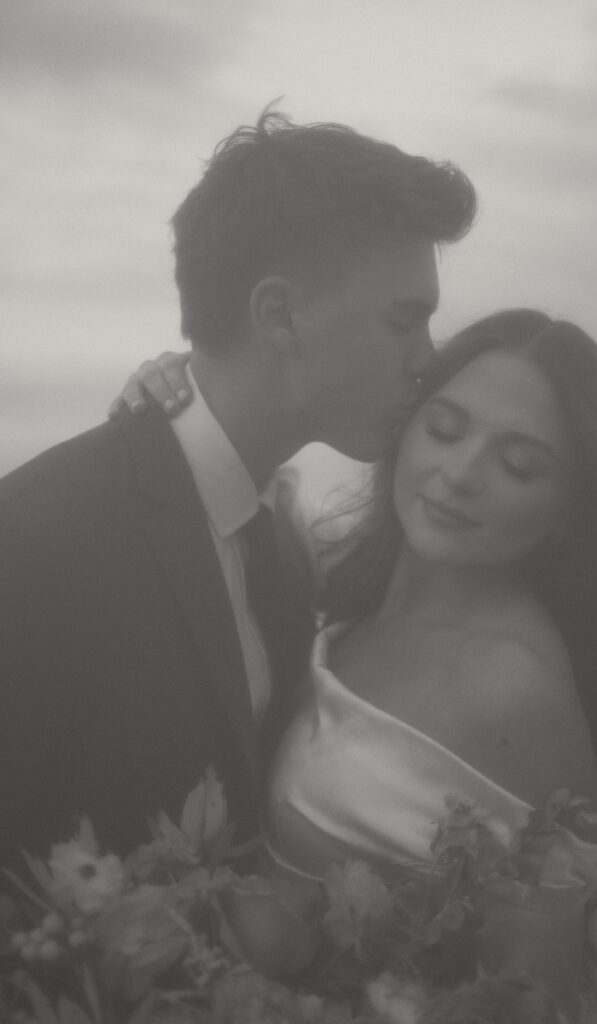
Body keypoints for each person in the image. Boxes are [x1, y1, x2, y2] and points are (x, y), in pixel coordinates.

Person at [126, 309, 597, 1021]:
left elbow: (534, 999)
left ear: (567, 511)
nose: (458, 474)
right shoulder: (349, 585)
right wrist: (174, 403)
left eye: (518, 465)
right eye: (444, 429)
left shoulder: (513, 692)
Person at [0, 108, 477, 871]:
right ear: (280, 315)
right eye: (404, 320)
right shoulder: (35, 543)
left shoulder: (281, 542)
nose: (426, 359)